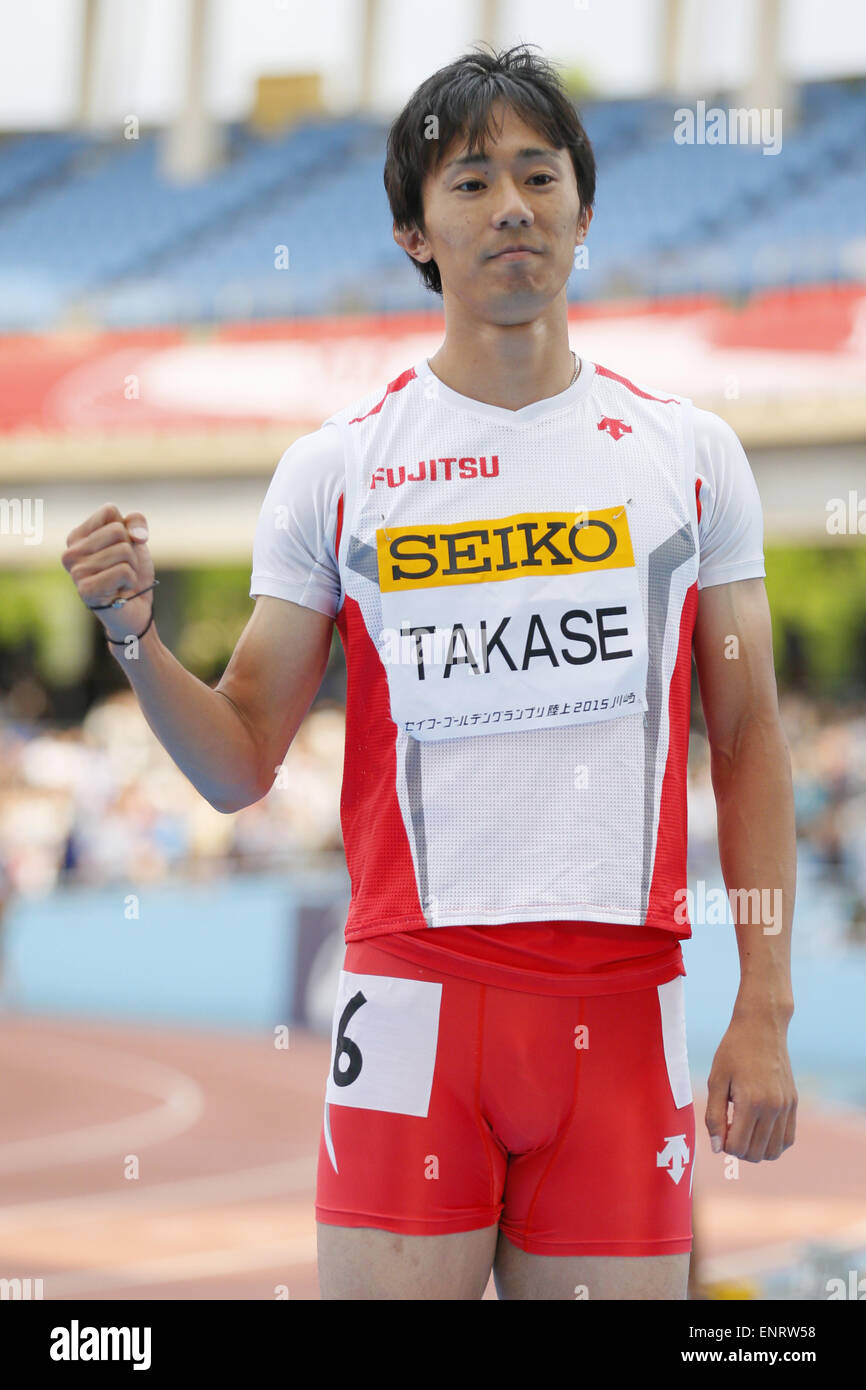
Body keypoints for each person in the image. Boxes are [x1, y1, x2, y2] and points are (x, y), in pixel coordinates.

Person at [60, 42, 798, 1301]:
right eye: (468, 183)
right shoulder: (336, 467)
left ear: (581, 210)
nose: (510, 205)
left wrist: (763, 1009)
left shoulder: (688, 453)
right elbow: (240, 760)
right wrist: (132, 638)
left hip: (622, 1011)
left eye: (537, 174)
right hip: (412, 1006)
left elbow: (746, 740)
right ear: (414, 230)